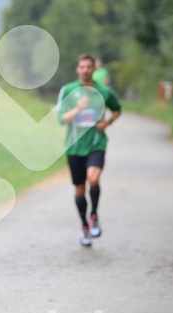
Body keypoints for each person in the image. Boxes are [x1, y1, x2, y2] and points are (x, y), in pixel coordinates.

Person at [57, 53, 121, 247]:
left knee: (93, 178)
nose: (85, 70)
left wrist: (108, 122)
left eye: (88, 67)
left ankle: (94, 215)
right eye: (82, 67)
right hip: (75, 146)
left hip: (96, 143)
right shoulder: (68, 90)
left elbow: (117, 109)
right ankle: (84, 226)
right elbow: (61, 119)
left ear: (94, 69)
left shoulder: (105, 91)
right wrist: (77, 109)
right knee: (79, 188)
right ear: (77, 69)